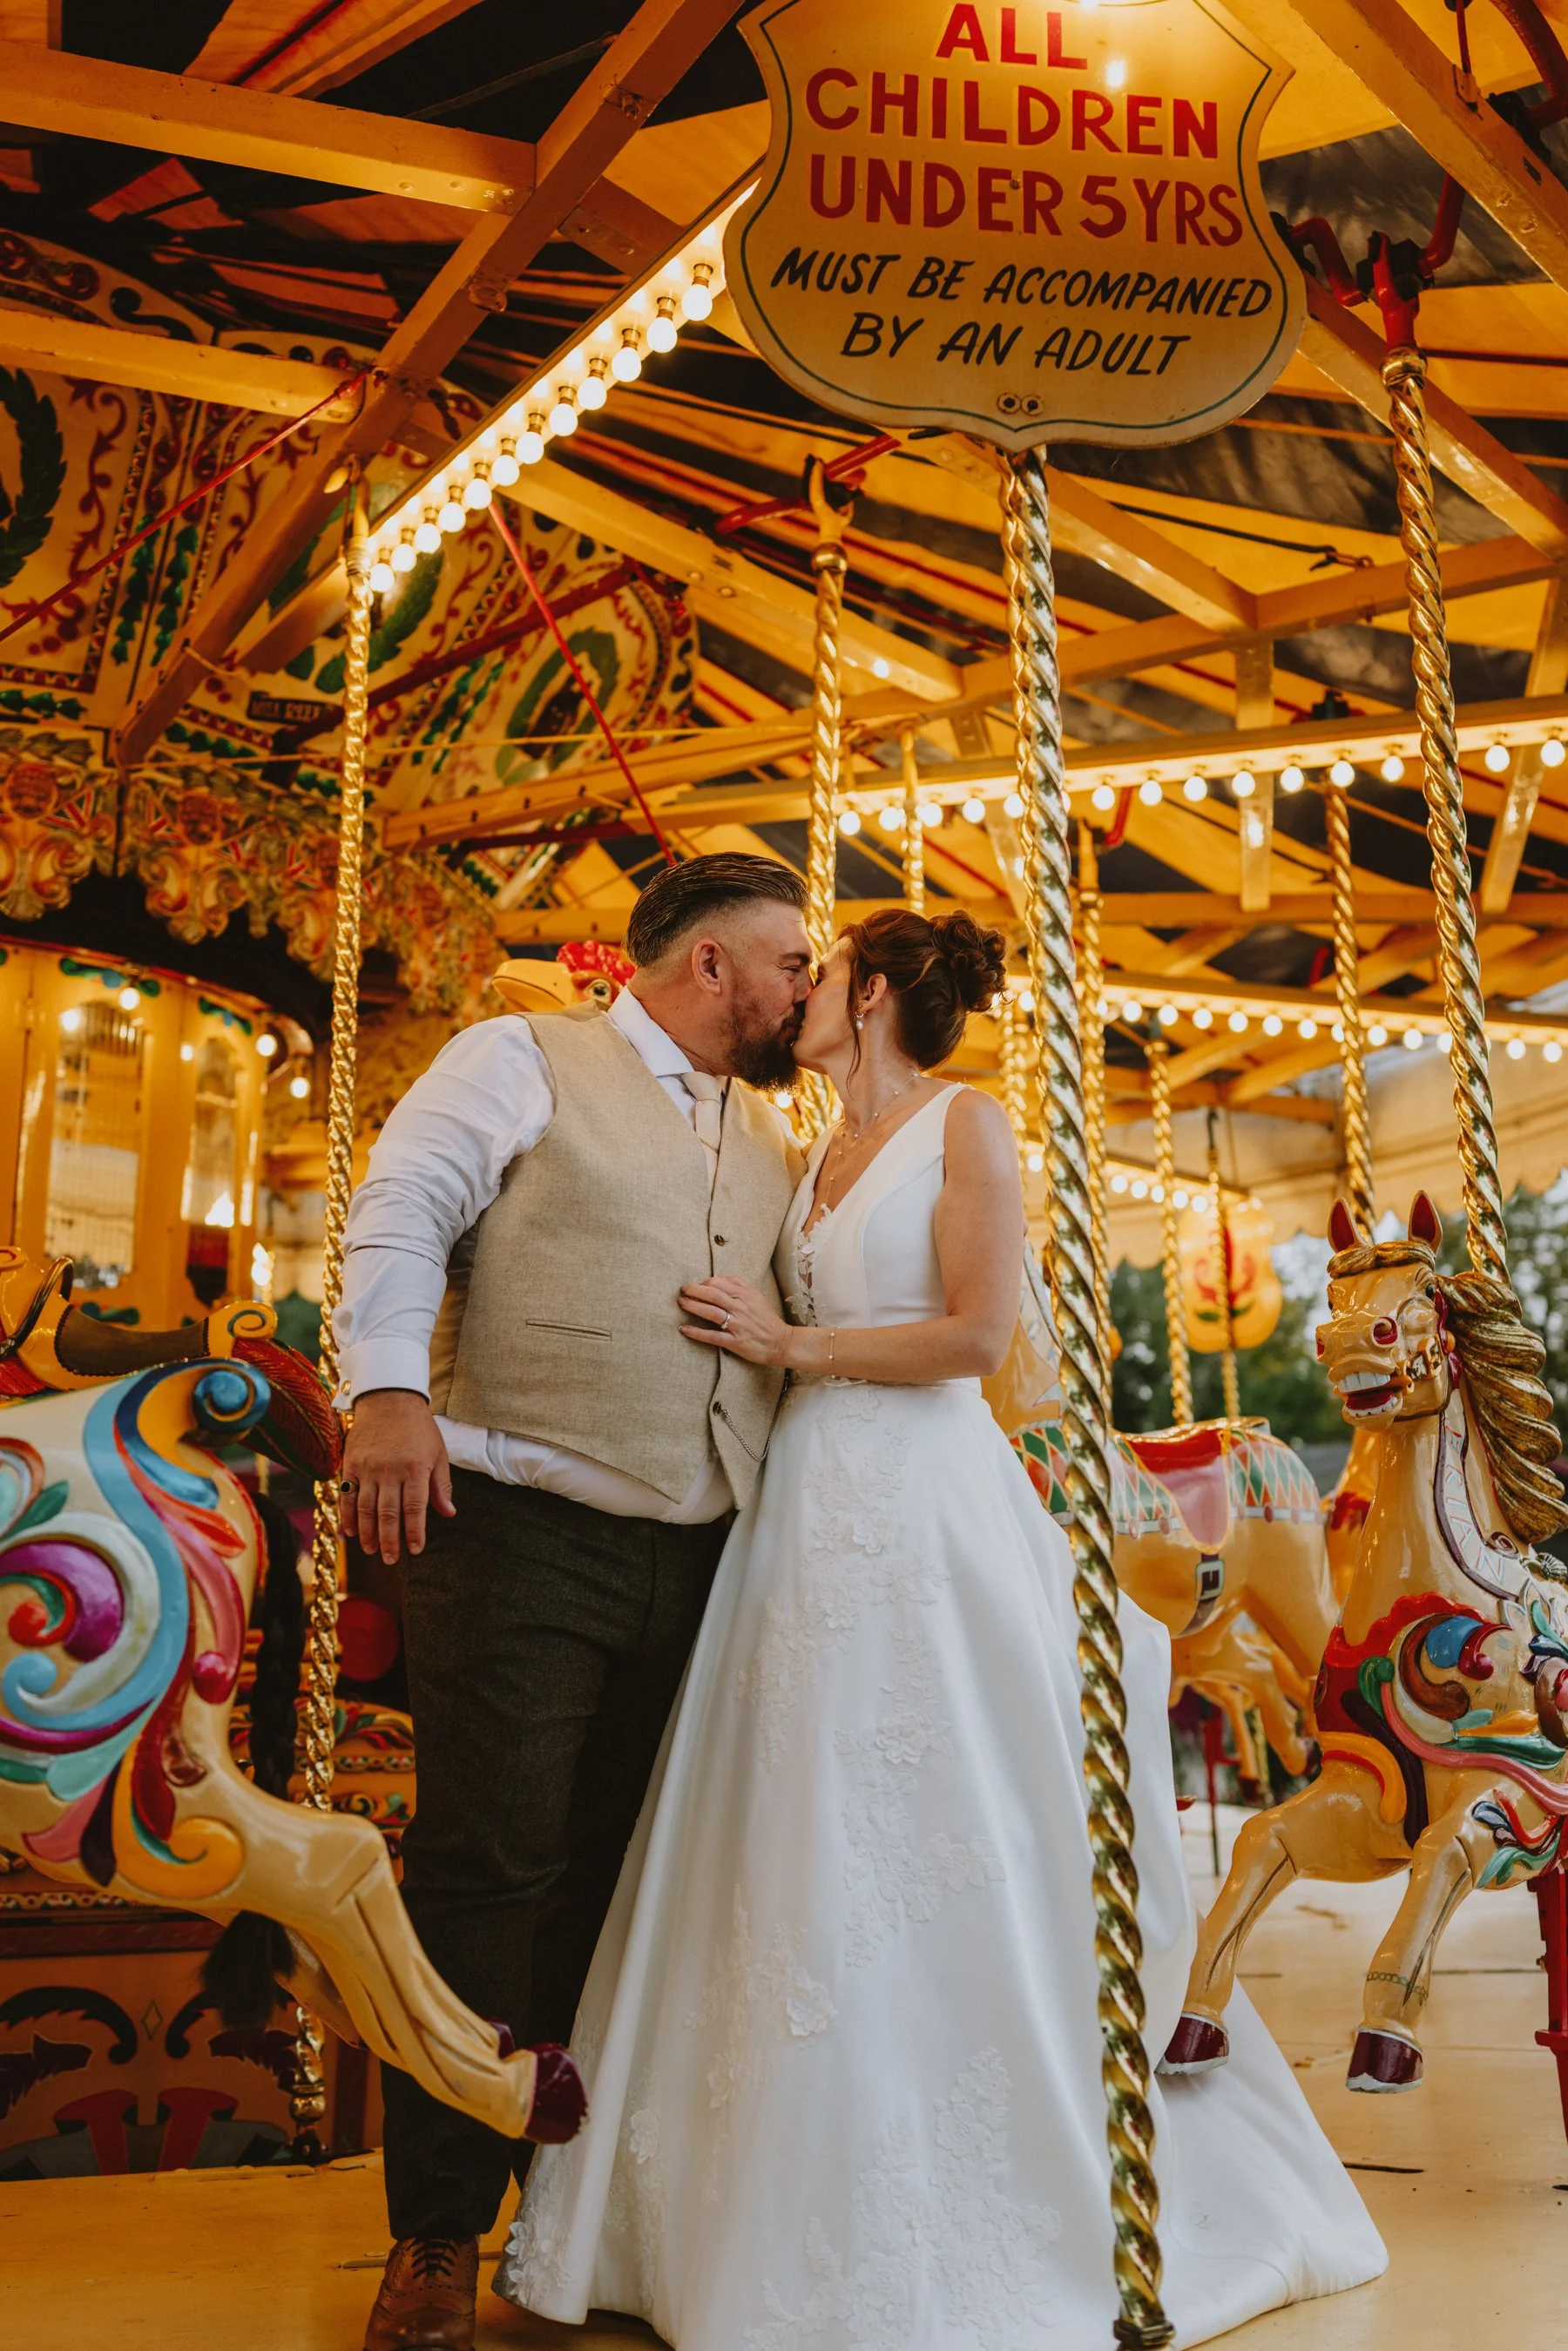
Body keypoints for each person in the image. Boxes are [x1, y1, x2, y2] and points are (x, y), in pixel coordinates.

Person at [499, 906, 1387, 2350]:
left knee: (939, 1815)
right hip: (800, 1506)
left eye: (828, 968)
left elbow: (976, 1334)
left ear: (885, 991)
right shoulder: (807, 1154)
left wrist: (792, 1344)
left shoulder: (967, 1128)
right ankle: (733, 2203)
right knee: (781, 1826)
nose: (808, 986)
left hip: (919, 1493)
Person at [335, 854, 813, 2351]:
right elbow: (404, 1202)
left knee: (626, 1889)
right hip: (524, 1525)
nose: (810, 985)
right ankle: (432, 2235)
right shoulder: (524, 1054)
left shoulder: (775, 1136)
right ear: (713, 965)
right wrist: (391, 1388)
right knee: (494, 1865)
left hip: (705, 1548)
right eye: (791, 959)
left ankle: (573, 2208)